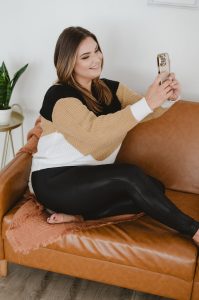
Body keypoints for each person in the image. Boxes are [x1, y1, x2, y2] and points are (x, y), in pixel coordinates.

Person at [31, 26, 199, 245]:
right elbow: (94, 133)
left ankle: (80, 217)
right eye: (85, 56)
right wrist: (147, 103)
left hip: (86, 178)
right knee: (130, 176)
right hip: (54, 182)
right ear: (68, 62)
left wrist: (165, 97)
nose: (96, 59)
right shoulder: (59, 97)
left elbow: (144, 112)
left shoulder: (109, 88)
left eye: (97, 50)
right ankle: (194, 230)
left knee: (153, 188)